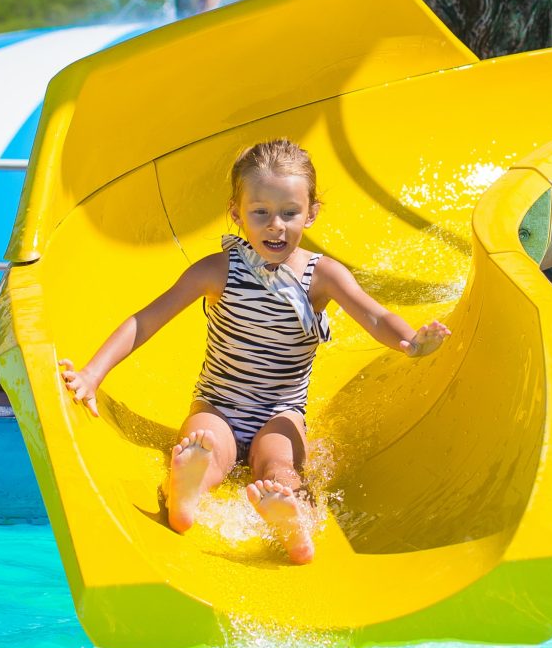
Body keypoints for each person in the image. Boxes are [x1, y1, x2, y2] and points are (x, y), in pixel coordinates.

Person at [59, 139, 450, 565]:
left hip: (281, 412)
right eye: (260, 212)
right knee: (206, 445)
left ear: (312, 212)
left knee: (280, 467)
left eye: (289, 213)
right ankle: (185, 496)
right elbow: (147, 319)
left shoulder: (324, 276)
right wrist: (93, 374)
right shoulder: (217, 270)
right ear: (236, 213)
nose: (275, 226)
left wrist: (409, 341)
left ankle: (291, 523)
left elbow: (374, 316)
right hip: (220, 405)